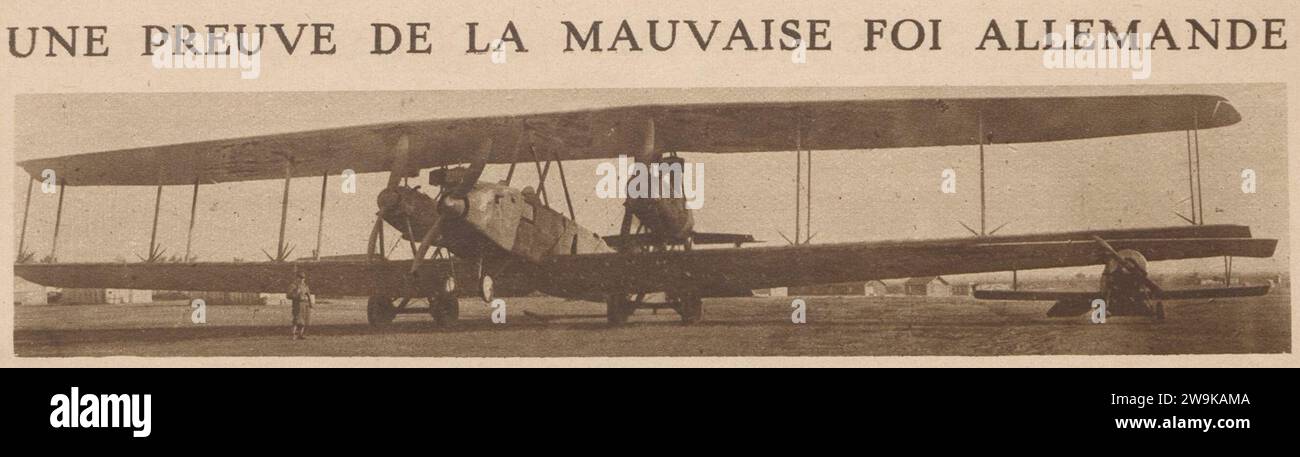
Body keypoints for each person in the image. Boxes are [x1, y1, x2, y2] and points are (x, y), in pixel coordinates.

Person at [288, 272, 312, 340]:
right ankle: (293, 335)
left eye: (303, 278)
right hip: (297, 304)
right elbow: (288, 295)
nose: (302, 279)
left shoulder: (305, 286)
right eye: (300, 278)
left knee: (304, 320)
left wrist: (310, 303)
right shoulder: (293, 286)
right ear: (297, 278)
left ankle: (300, 334)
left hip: (305, 304)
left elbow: (308, 294)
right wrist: (296, 293)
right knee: (297, 320)